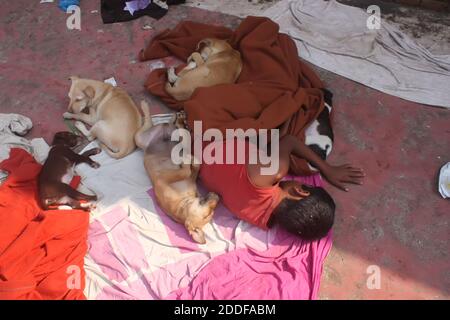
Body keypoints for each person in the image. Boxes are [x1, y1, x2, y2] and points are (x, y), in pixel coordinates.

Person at [199, 135, 365, 240]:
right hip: (198, 168)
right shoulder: (262, 221)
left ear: (299, 191)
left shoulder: (274, 172)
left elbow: (290, 141)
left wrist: (326, 168)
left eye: (304, 184)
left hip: (209, 140)